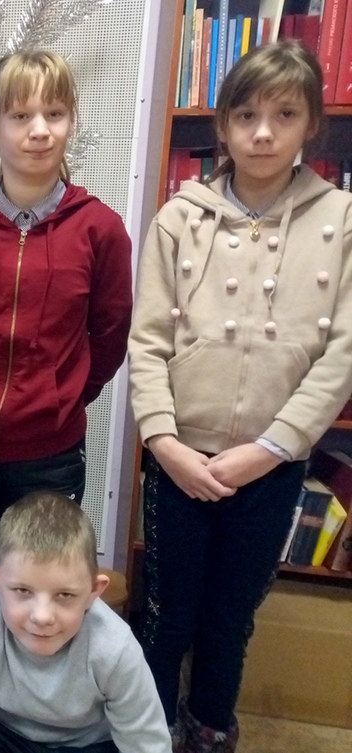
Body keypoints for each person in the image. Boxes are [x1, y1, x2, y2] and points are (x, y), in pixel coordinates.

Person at [128, 40, 352, 753]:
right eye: (247, 115)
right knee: (166, 612)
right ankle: (147, 730)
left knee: (230, 617)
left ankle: (209, 728)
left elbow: (343, 353)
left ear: (311, 124)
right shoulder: (178, 218)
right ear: (222, 125)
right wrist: (165, 443)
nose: (263, 133)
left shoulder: (341, 219)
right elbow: (147, 341)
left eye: (284, 115)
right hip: (179, 459)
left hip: (272, 462)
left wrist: (269, 449)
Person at [0, 50, 133, 630]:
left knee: (39, 593)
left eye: (54, 113)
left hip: (48, 454)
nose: (39, 130)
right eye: (20, 116)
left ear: (71, 121)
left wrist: (60, 396)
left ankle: (27, 691)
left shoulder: (100, 230)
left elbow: (109, 336)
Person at [0, 492, 171, 753]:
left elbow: (147, 744)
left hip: (83, 745)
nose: (42, 616)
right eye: (22, 591)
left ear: (94, 591)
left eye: (64, 595)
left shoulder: (116, 647)